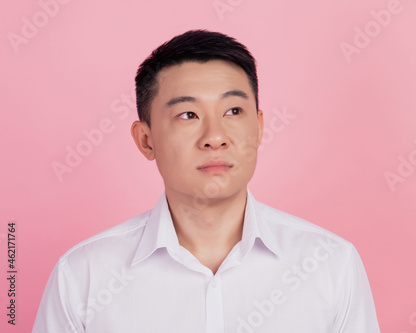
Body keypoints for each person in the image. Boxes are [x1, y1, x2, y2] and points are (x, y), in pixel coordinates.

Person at [32, 29, 380, 332]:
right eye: (188, 114)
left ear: (258, 127)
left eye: (233, 111)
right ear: (145, 140)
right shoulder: (82, 277)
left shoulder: (330, 264)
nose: (215, 137)